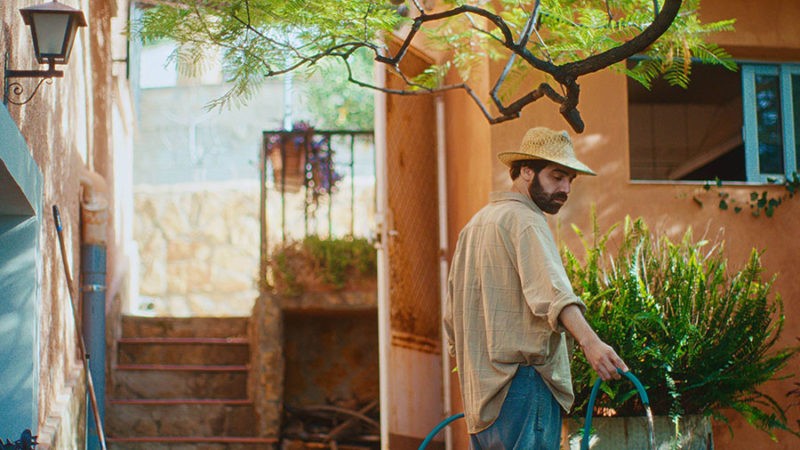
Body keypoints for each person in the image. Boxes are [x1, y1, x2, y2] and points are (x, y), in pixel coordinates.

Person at [443, 127, 628, 449]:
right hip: (524, 384)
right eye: (557, 176)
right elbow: (554, 295)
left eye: (571, 179)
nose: (566, 188)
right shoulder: (526, 221)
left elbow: (451, 319)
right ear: (526, 171)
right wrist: (591, 343)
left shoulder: (475, 225)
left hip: (481, 393)